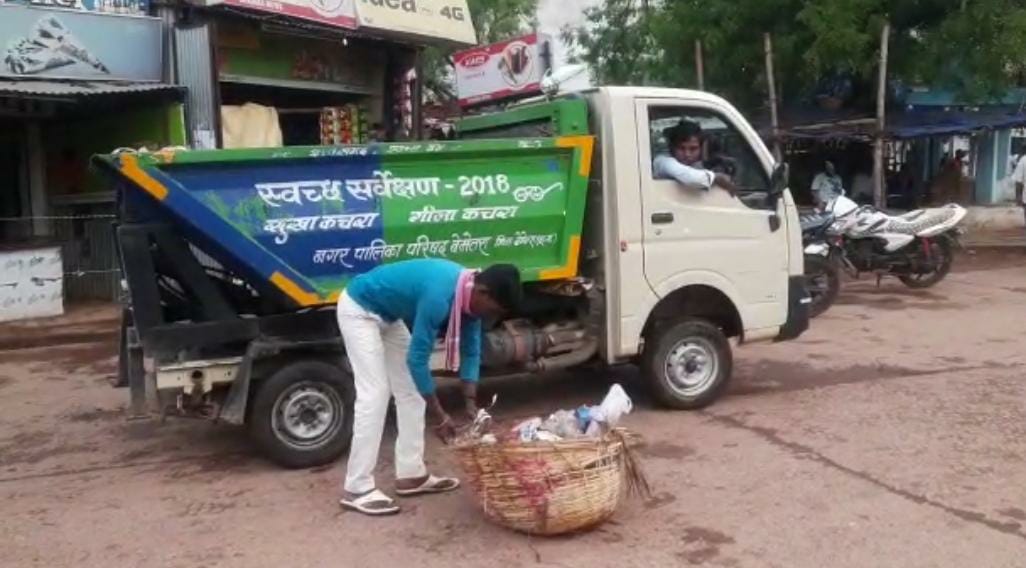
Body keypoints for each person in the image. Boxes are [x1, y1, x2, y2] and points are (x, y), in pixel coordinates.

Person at [337, 259, 521, 516]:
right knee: (375, 395)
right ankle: (357, 488)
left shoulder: (469, 295)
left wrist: (471, 405)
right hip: (359, 309)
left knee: (412, 393)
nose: (493, 316)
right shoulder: (440, 296)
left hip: (388, 317)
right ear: (482, 292)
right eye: (494, 310)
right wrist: (440, 415)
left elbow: (471, 351)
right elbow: (417, 359)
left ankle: (411, 475)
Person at [653, 120, 737, 196]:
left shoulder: (702, 165)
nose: (687, 154)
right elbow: (690, 177)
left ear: (701, 148)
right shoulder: (662, 162)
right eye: (681, 148)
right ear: (672, 148)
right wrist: (716, 177)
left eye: (693, 149)